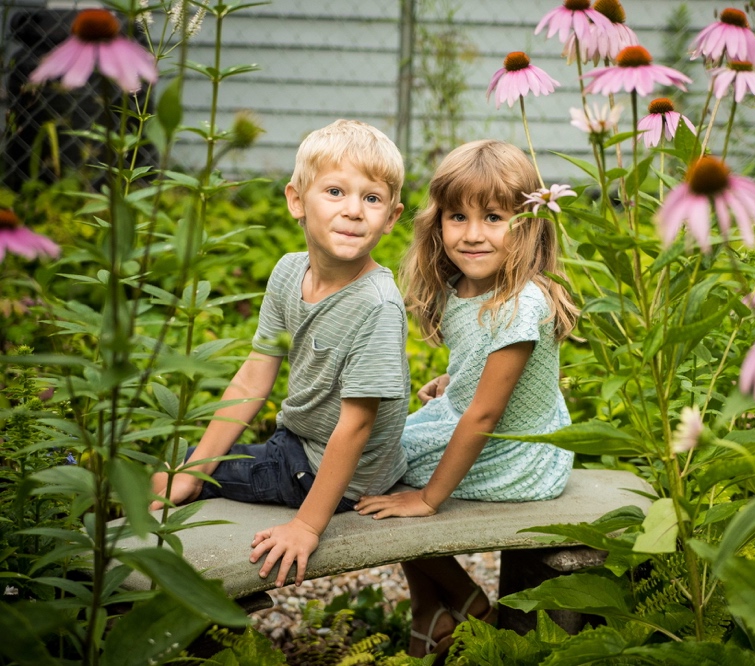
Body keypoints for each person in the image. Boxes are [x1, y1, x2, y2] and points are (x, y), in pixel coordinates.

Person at [151, 119, 409, 588]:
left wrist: (306, 527)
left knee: (174, 470)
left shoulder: (377, 305)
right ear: (296, 201)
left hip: (326, 474)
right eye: (335, 191)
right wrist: (190, 472)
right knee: (181, 468)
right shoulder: (290, 272)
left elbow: (357, 425)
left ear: (391, 217)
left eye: (371, 198)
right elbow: (254, 377)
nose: (354, 210)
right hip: (302, 445)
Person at [354, 140, 579, 659]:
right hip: (481, 423)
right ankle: (428, 609)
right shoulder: (464, 288)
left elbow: (487, 412)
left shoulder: (522, 302)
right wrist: (451, 381)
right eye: (458, 216)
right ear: (438, 222)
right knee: (374, 449)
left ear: (528, 225)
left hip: (519, 452)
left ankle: (463, 598)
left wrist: (429, 499)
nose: (473, 234)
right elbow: (482, 377)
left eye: (495, 217)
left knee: (371, 469)